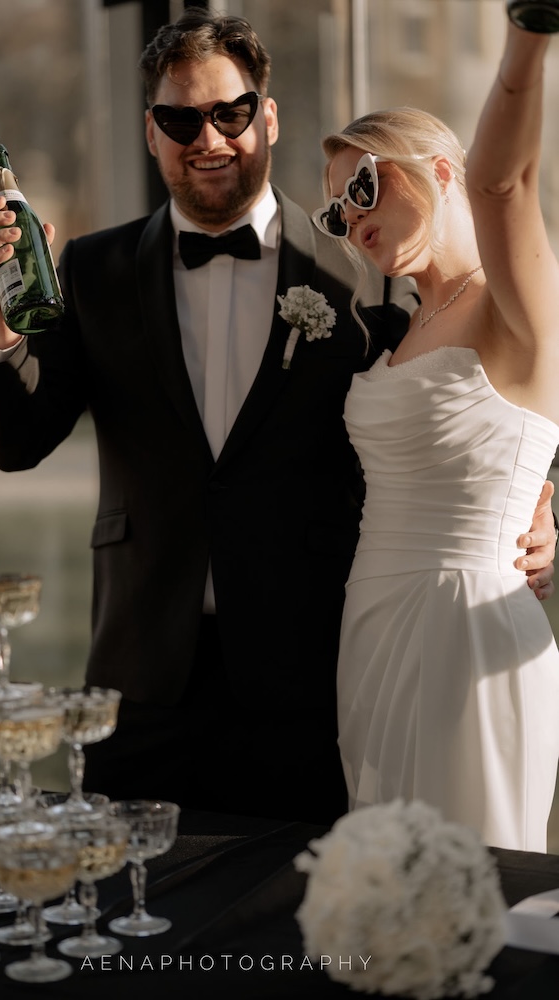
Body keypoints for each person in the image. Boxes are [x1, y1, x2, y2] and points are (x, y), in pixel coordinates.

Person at [0, 8, 555, 827]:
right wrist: (1, 329)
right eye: (181, 119)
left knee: (327, 900)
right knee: (128, 900)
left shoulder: (372, 274)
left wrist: (539, 500)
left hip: (308, 680)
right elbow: (16, 442)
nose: (208, 138)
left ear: (267, 117)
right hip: (142, 679)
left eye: (231, 112)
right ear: (150, 132)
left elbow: (486, 405)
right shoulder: (92, 270)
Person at [315, 10, 559, 849]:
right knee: (386, 883)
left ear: (440, 170)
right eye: (336, 215)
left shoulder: (514, 304)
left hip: (470, 630)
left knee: (474, 882)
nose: (351, 219)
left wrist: (529, 36)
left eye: (362, 188)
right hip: (372, 627)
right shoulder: (395, 330)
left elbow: (505, 185)